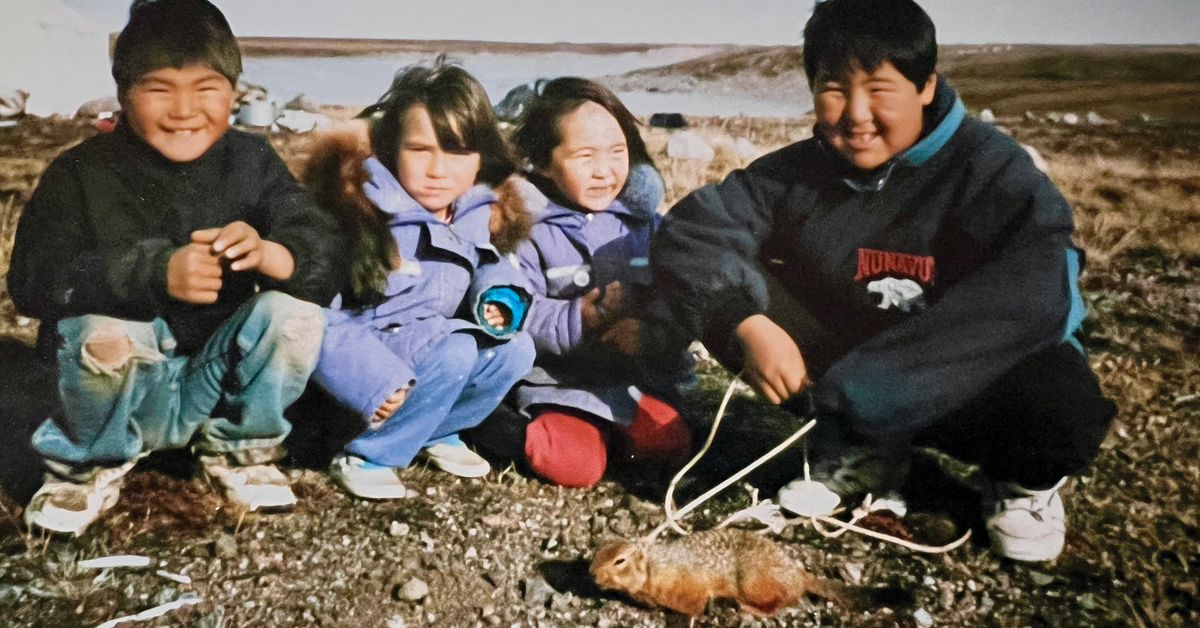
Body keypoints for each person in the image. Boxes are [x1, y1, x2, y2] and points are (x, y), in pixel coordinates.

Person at [648, 0, 1116, 562]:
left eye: (879, 89)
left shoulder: (992, 170)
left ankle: (1023, 484)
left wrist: (872, 388)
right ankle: (866, 453)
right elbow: (693, 232)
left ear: (926, 86)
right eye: (833, 89)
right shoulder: (795, 173)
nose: (856, 113)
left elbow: (1039, 289)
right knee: (725, 286)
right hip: (843, 384)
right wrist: (742, 321)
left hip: (952, 382)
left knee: (1062, 403)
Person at [8, 0, 343, 535]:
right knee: (103, 332)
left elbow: (321, 243)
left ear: (234, 93)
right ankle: (84, 467)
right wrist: (154, 270)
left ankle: (238, 452)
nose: (184, 109)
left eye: (206, 88)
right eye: (159, 89)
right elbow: (33, 279)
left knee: (294, 316)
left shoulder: (253, 163)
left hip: (211, 383)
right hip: (115, 392)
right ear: (123, 94)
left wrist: (271, 253)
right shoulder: (79, 172)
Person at [305, 61, 536, 500]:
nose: (437, 170)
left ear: (482, 156)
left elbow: (487, 263)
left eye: (457, 152)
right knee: (457, 349)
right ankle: (367, 453)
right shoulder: (360, 211)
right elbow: (316, 314)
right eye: (420, 149)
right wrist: (372, 380)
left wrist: (499, 295)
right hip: (365, 380)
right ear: (391, 148)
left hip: (434, 352)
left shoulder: (475, 210)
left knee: (516, 349)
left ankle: (436, 429)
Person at [493, 77, 692, 488]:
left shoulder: (644, 224)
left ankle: (608, 434)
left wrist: (650, 329)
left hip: (628, 378)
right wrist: (578, 317)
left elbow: (675, 291)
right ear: (543, 162)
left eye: (618, 152)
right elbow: (515, 305)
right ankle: (498, 424)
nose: (604, 171)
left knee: (669, 443)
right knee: (573, 467)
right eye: (585, 156)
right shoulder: (523, 227)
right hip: (556, 380)